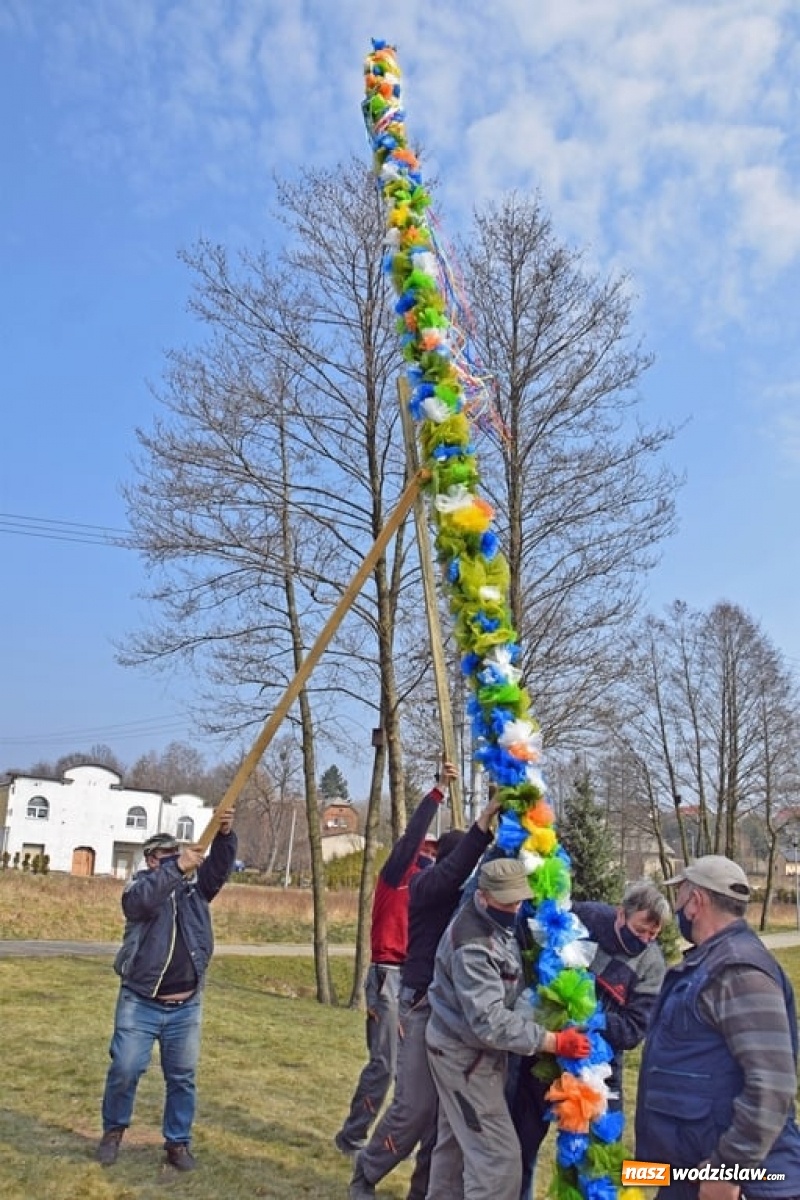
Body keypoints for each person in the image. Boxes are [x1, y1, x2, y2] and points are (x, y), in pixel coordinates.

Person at [348, 783, 503, 1200]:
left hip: (454, 1015)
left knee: (443, 1119)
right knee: (413, 1110)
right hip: (418, 1006)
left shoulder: (469, 901)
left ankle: (423, 1192)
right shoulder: (425, 889)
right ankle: (365, 1173)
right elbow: (450, 872)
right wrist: (480, 830)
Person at [424, 856, 591, 1200]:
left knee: (455, 1150)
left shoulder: (496, 924)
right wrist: (554, 1041)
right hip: (465, 1060)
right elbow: (489, 1022)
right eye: (507, 901)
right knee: (498, 1161)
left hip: (464, 1053)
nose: (515, 908)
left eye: (519, 900)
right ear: (483, 896)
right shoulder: (474, 945)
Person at [636, 855, 800, 1200]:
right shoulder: (710, 963)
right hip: (691, 1172)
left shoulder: (739, 971)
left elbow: (773, 1083)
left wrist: (727, 1168)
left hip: (735, 1183)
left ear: (696, 902)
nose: (676, 907)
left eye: (679, 896)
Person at [95, 811, 237, 1171]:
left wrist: (224, 835)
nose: (178, 862)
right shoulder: (139, 887)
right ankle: (113, 1132)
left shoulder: (194, 891)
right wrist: (175, 869)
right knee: (126, 1068)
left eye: (179, 855)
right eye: (168, 857)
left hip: (185, 1005)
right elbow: (141, 903)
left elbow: (218, 871)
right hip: (139, 1002)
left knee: (182, 1077)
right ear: (151, 860)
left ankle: (177, 1143)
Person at [509, 880, 669, 1200]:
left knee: (597, 1162)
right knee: (520, 1145)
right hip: (547, 1051)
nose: (646, 940)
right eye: (641, 931)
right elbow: (541, 938)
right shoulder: (587, 917)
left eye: (654, 935)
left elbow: (635, 1030)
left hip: (600, 1069)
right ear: (621, 914)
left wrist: (594, 1021)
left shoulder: (652, 965)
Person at [333, 768, 449, 1157]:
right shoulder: (396, 873)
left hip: (418, 984)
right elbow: (414, 833)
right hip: (388, 976)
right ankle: (352, 1136)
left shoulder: (435, 891)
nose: (430, 857)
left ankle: (404, 1143)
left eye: (436, 853)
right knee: (384, 1063)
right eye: (426, 851)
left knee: (415, 1071)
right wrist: (437, 793)